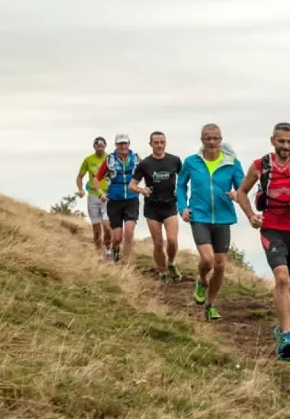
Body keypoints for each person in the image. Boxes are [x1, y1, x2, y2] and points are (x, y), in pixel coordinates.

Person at [234, 122, 290, 360]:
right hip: (271, 229)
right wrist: (252, 216)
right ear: (273, 141)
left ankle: (282, 327)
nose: (285, 146)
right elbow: (242, 192)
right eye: (281, 141)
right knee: (282, 278)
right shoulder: (259, 166)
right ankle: (286, 336)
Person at [176, 123, 245, 321]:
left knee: (221, 265)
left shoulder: (232, 163)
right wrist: (182, 207)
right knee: (208, 259)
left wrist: (236, 194)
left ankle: (210, 304)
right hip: (199, 216)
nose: (212, 142)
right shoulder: (191, 162)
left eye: (215, 138)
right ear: (202, 140)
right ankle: (202, 280)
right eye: (208, 138)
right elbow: (180, 186)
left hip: (223, 218)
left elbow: (242, 188)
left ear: (221, 140)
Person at [129, 131, 184, 282]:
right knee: (158, 243)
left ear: (165, 143)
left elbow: (184, 178)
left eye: (162, 142)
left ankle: (171, 263)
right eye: (156, 142)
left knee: (172, 240)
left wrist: (182, 193)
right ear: (151, 144)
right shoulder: (145, 164)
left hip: (170, 205)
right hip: (152, 207)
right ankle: (162, 272)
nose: (159, 145)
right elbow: (132, 185)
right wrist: (141, 189)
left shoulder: (174, 160)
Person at [95, 134, 141, 264]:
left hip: (132, 199)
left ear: (129, 144)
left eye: (125, 143)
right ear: (116, 145)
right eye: (120, 144)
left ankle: (125, 263)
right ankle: (113, 250)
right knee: (117, 237)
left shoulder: (136, 159)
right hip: (114, 201)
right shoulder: (110, 160)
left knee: (129, 231)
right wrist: (100, 193)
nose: (123, 146)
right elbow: (96, 179)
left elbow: (147, 173)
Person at [75, 136, 112, 260]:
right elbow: (79, 176)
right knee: (96, 229)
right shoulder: (88, 160)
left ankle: (108, 250)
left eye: (102, 145)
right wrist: (80, 189)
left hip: (107, 195)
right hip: (92, 196)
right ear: (94, 146)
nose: (100, 147)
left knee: (107, 226)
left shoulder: (110, 158)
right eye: (97, 145)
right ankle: (98, 254)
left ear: (105, 146)